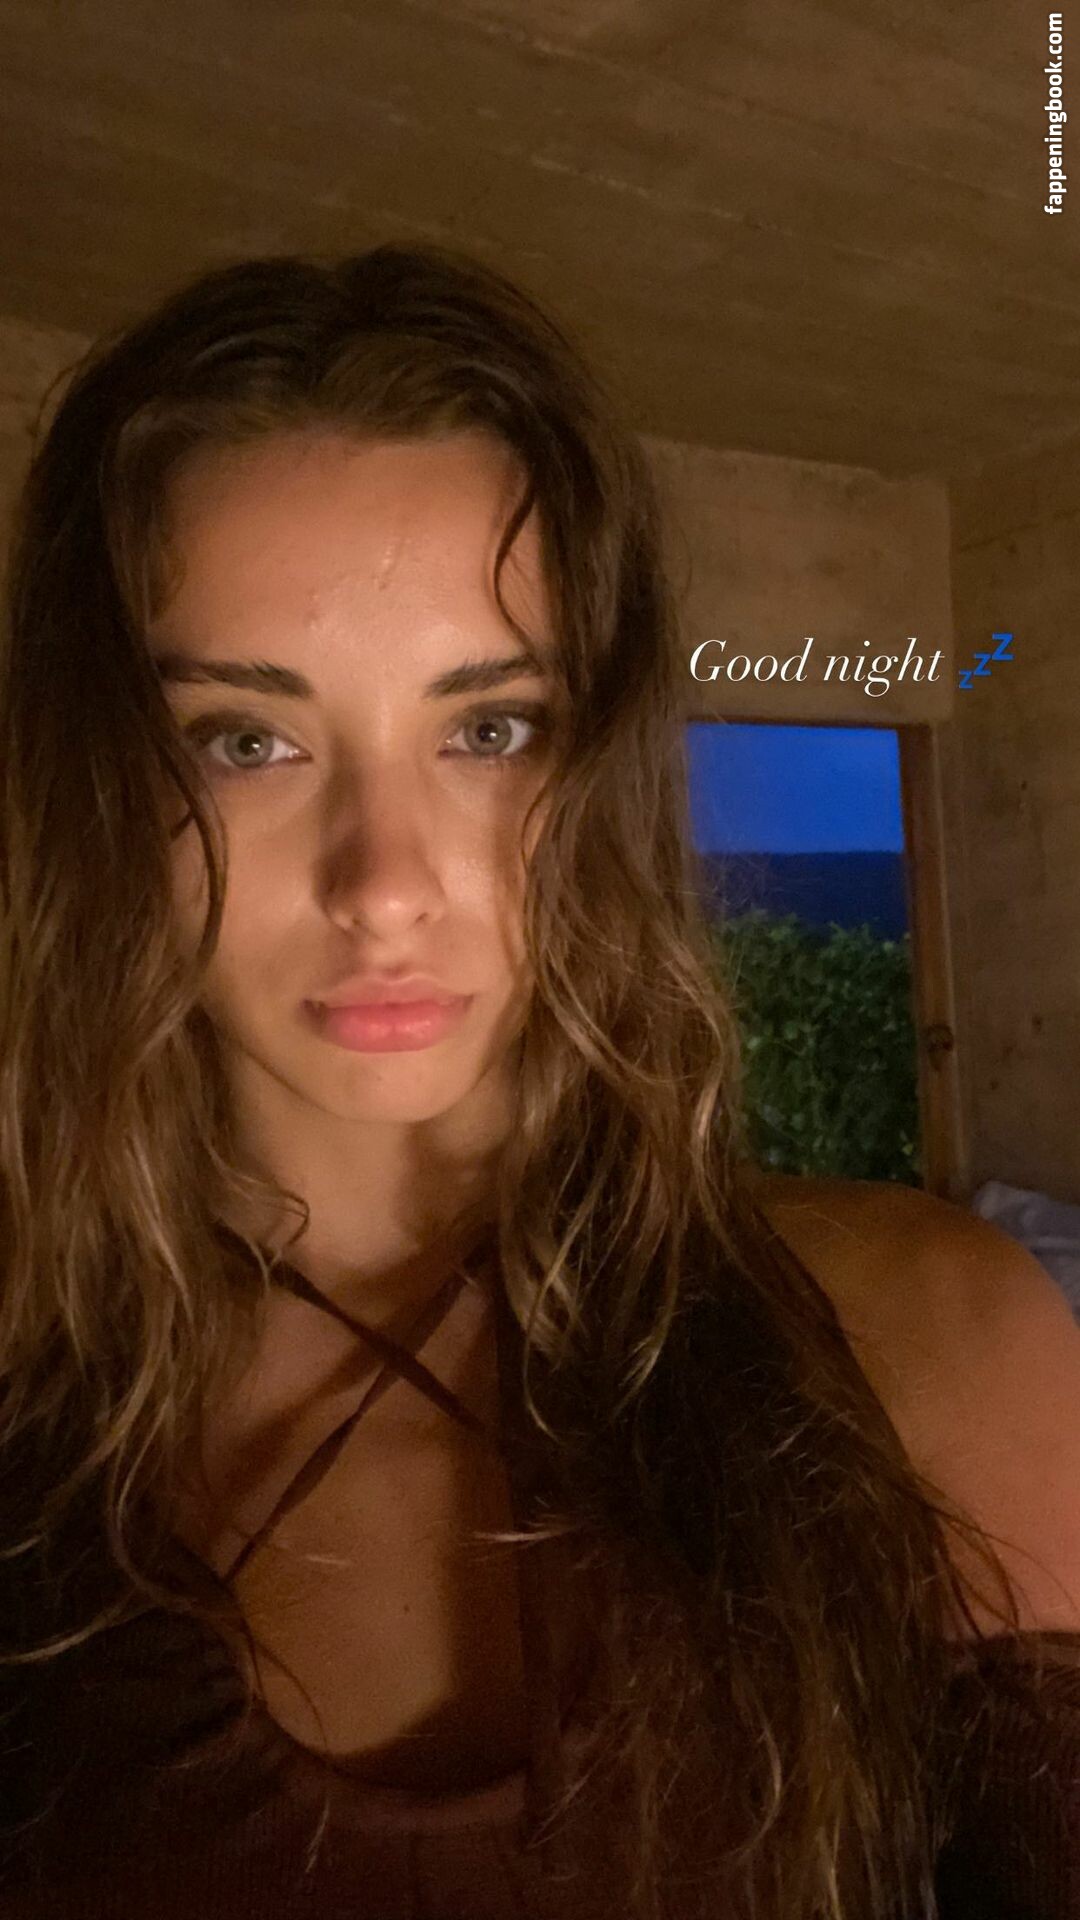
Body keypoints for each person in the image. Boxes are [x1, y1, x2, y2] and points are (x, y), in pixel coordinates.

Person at [0, 243, 1078, 1920]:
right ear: (101, 787)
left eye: (488, 729)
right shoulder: (36, 1410)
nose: (384, 885)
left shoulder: (933, 1343)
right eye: (245, 741)